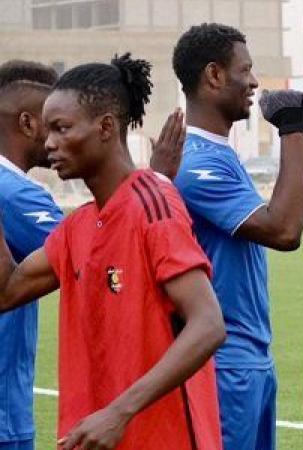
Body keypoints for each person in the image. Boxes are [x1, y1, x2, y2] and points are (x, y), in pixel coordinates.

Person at [0, 53, 225, 450]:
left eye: (61, 128)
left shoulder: (153, 203)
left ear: (106, 127)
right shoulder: (76, 228)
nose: (48, 142)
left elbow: (208, 324)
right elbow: (7, 291)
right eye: (47, 129)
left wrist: (118, 412)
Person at [172, 23, 303, 450]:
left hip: (248, 360)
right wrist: (292, 131)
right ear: (214, 75)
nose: (253, 82)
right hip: (221, 362)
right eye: (245, 70)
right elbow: (284, 230)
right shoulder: (195, 163)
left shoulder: (220, 154)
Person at [0, 59, 63, 450]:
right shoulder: (16, 193)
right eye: (55, 124)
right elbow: (100, 248)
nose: (60, 138)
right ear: (27, 124)